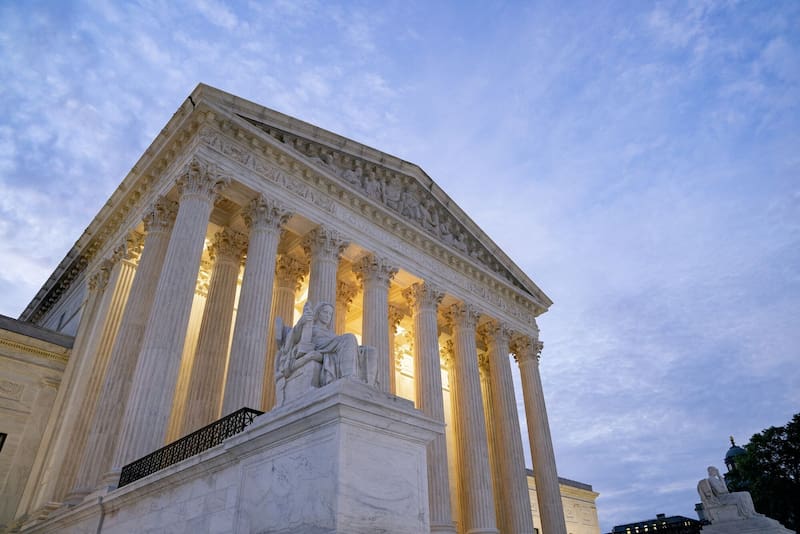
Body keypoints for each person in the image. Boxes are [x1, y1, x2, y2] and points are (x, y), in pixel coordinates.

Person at [276, 302, 359, 387]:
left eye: (330, 314)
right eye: (325, 312)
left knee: (369, 351)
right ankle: (348, 377)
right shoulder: (309, 327)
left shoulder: (331, 334)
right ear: (318, 313)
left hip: (331, 349)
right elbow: (293, 340)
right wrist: (301, 322)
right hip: (320, 347)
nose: (328, 316)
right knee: (349, 338)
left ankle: (363, 382)